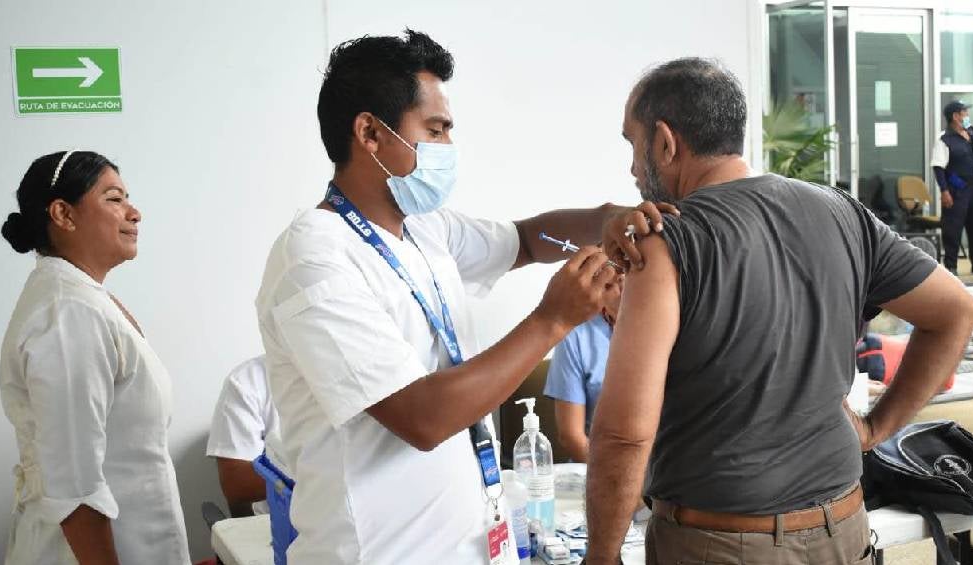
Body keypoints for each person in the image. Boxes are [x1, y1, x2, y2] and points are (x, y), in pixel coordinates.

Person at [255, 30, 667, 564]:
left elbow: (528, 239)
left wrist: (604, 219)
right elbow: (421, 417)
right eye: (435, 130)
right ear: (370, 133)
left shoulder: (424, 229)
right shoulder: (314, 257)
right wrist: (552, 320)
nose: (447, 147)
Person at [583, 58, 973, 565]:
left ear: (665, 142)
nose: (633, 170)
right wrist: (876, 428)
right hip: (843, 532)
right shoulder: (843, 213)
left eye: (632, 144)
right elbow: (957, 311)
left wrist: (601, 555)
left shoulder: (666, 244)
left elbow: (623, 434)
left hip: (720, 545)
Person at [0, 151, 190, 564]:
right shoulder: (68, 313)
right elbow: (75, 487)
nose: (134, 213)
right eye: (114, 198)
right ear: (63, 214)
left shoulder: (83, 299)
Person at [543, 279, 622, 462]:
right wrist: (614, 474)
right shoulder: (575, 335)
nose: (623, 281)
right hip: (598, 464)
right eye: (612, 283)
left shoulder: (672, 323)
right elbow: (571, 437)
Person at [206, 355, 280, 517]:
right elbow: (236, 485)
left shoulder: (337, 379)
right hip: (280, 522)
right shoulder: (247, 381)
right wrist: (313, 473)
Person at [932, 99, 973, 273]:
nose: (967, 115)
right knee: (953, 229)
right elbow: (938, 167)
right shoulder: (944, 139)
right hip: (957, 190)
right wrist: (944, 191)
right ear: (955, 116)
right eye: (964, 112)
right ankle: (951, 266)